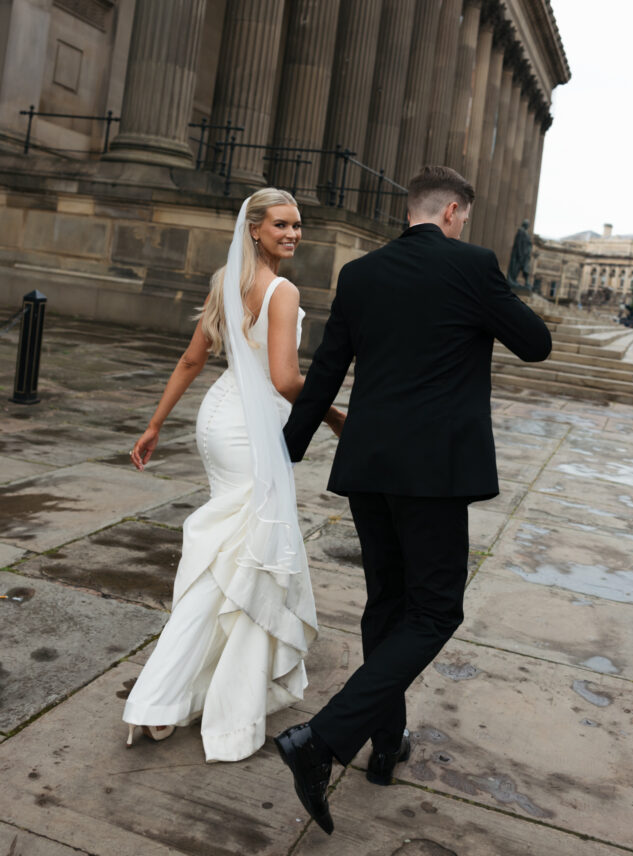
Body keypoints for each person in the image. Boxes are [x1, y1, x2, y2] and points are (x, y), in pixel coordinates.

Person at [273, 166, 552, 834]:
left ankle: (382, 744)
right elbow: (535, 344)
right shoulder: (473, 266)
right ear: (453, 211)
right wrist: (485, 299)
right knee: (432, 611)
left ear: (411, 210)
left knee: (387, 604)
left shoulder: (361, 275)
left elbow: (326, 370)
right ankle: (324, 738)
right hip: (432, 472)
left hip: (368, 463)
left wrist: (288, 448)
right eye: (462, 216)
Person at [123, 188, 345, 762]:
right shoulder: (281, 289)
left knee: (231, 560)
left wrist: (155, 425)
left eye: (298, 226)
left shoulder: (225, 278)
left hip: (218, 422)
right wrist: (340, 417)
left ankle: (186, 691)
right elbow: (287, 380)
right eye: (281, 225)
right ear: (254, 229)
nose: (293, 234)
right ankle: (165, 699)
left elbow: (193, 359)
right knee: (244, 565)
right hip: (247, 432)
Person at [507, 218, 532, 287]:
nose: (528, 226)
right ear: (525, 224)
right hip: (519, 254)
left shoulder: (525, 233)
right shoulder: (521, 231)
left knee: (521, 268)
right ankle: (512, 280)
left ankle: (515, 280)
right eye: (527, 224)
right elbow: (518, 243)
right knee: (515, 268)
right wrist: (520, 253)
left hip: (524, 255)